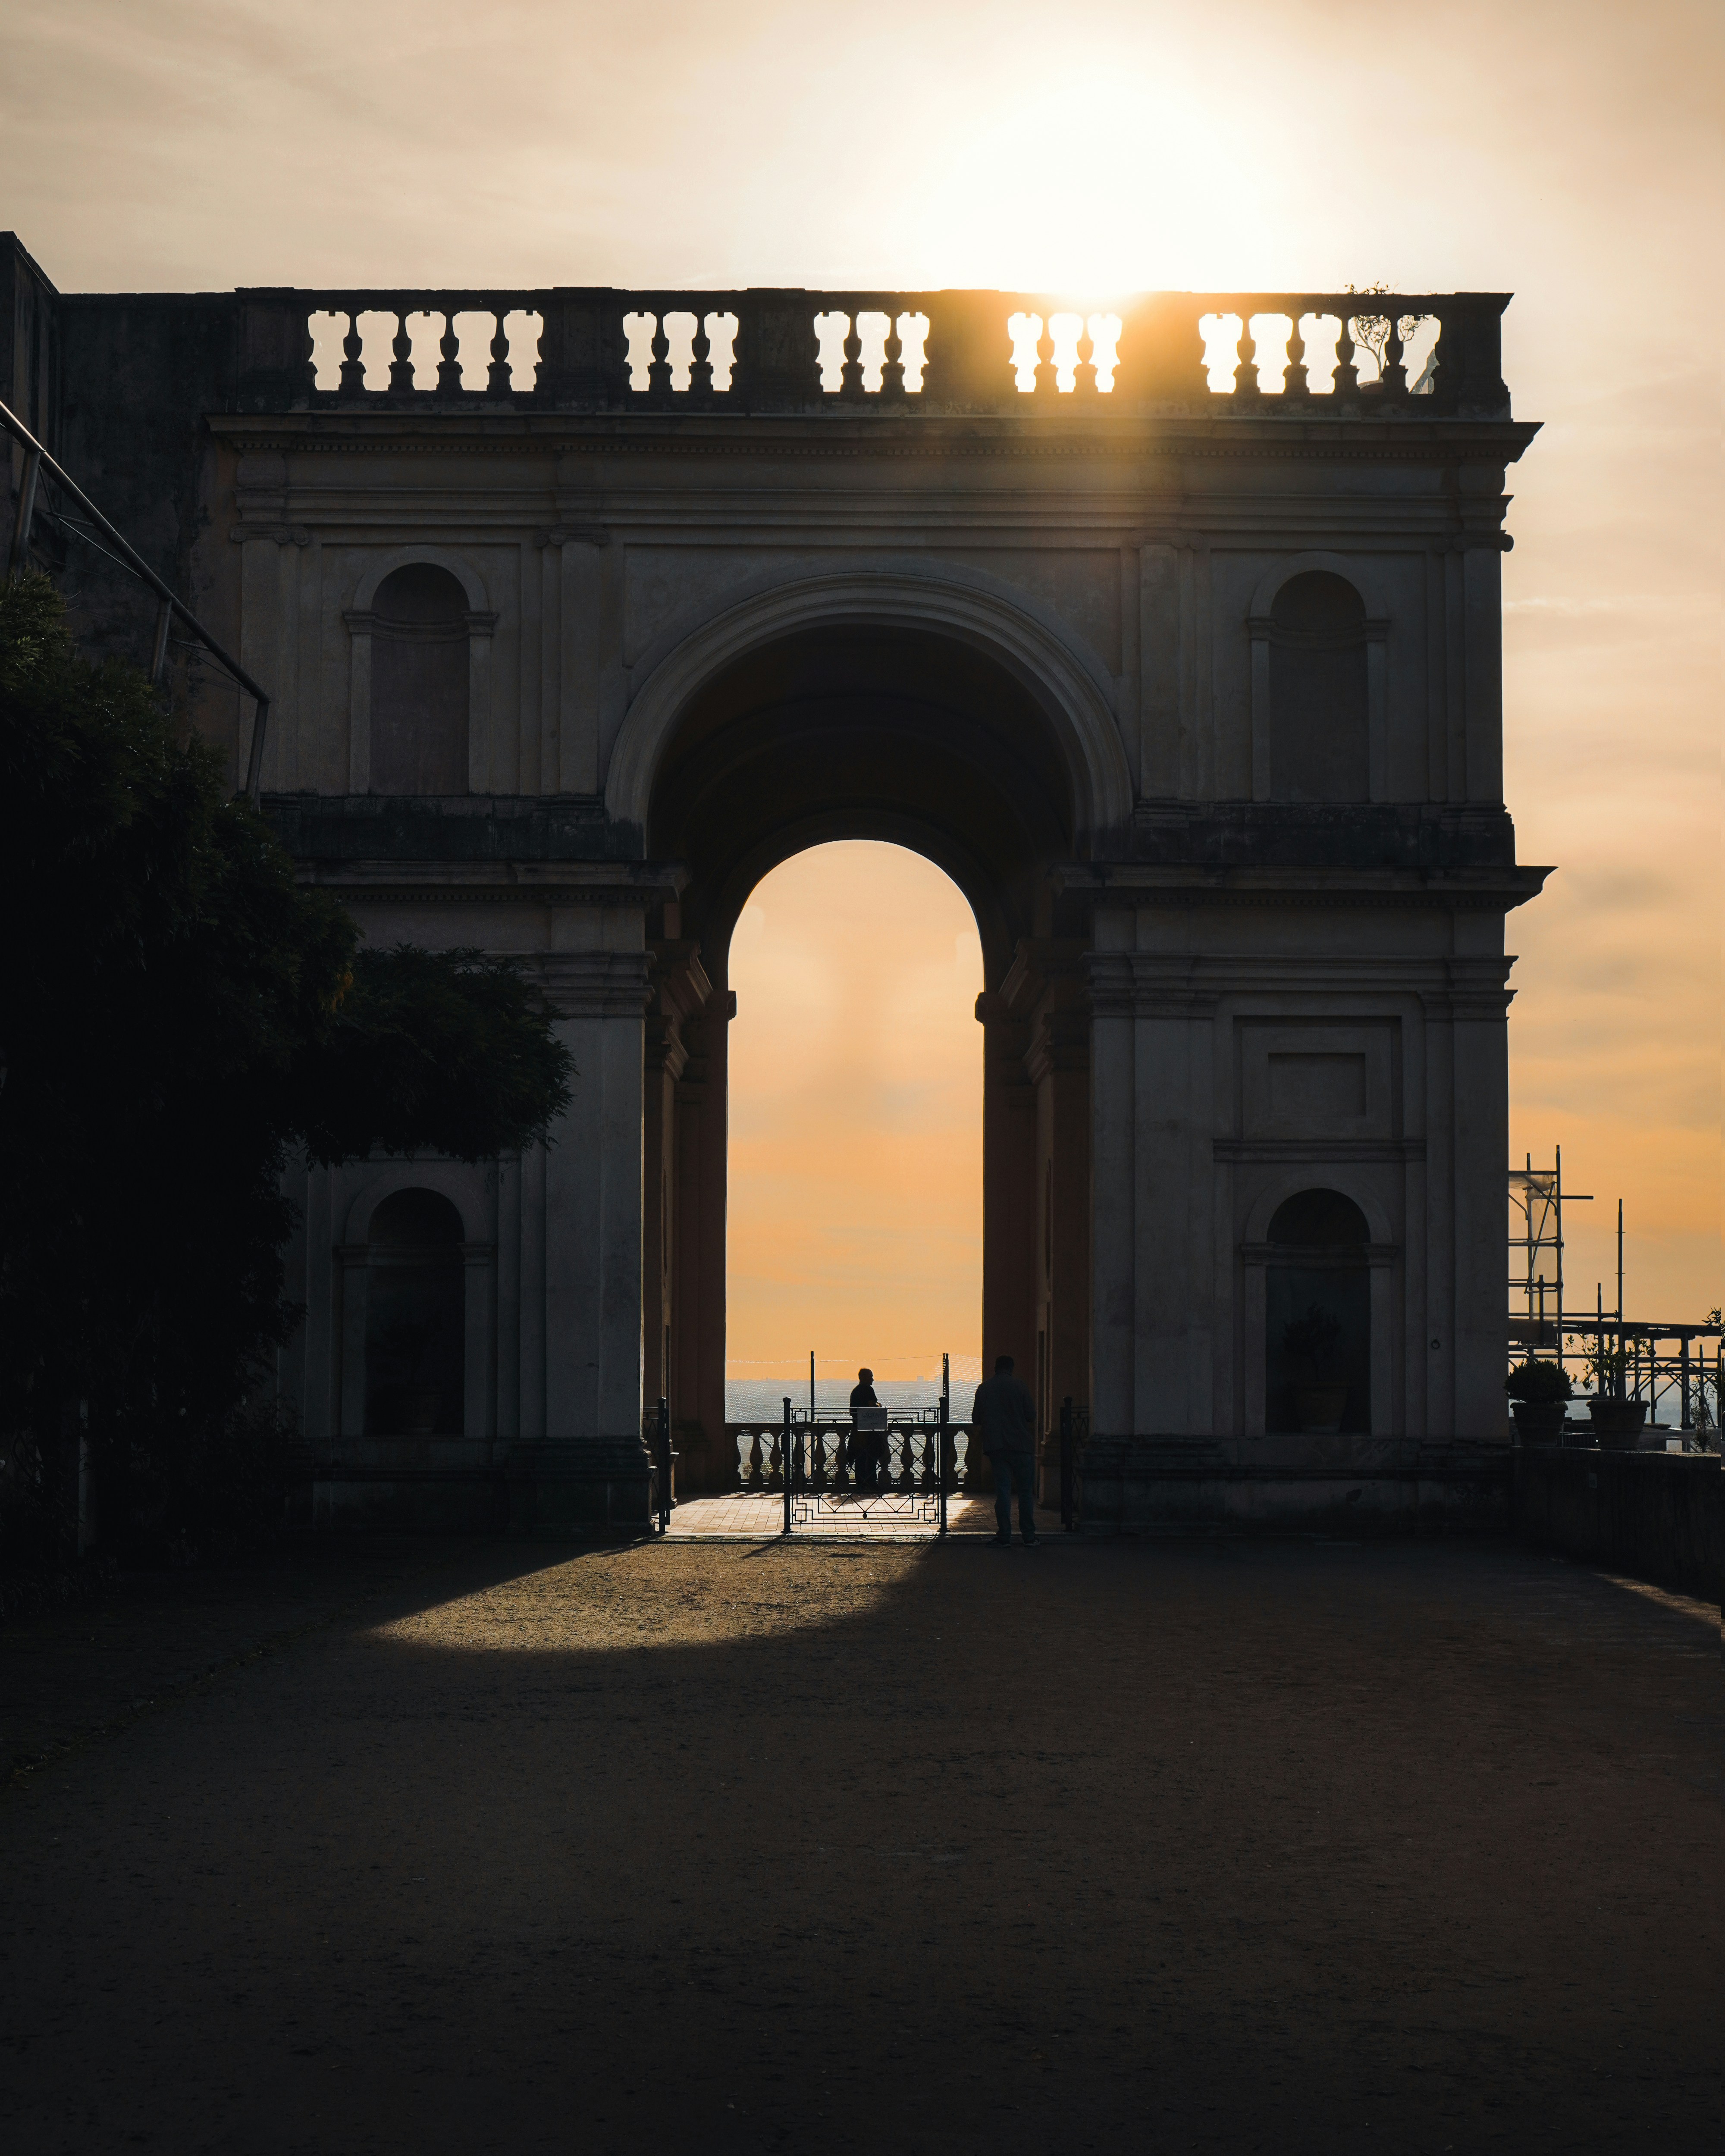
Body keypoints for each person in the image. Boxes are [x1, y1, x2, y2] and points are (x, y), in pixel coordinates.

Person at [970, 1354, 1038, 1546]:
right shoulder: (1020, 1386)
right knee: (1025, 1493)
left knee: (1003, 1492)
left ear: (995, 1369)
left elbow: (976, 1419)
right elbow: (1031, 1415)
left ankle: (1005, 1536)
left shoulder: (984, 1389)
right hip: (1022, 1446)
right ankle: (1029, 1536)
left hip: (997, 1447)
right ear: (1011, 1368)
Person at [849, 1366, 883, 1494]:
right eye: (871, 1377)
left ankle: (860, 1483)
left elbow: (852, 1411)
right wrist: (879, 1406)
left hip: (857, 1429)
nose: (873, 1379)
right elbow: (872, 1407)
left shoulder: (855, 1391)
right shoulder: (869, 1390)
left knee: (860, 1457)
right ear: (866, 1378)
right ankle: (871, 1482)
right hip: (869, 1429)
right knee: (872, 1456)